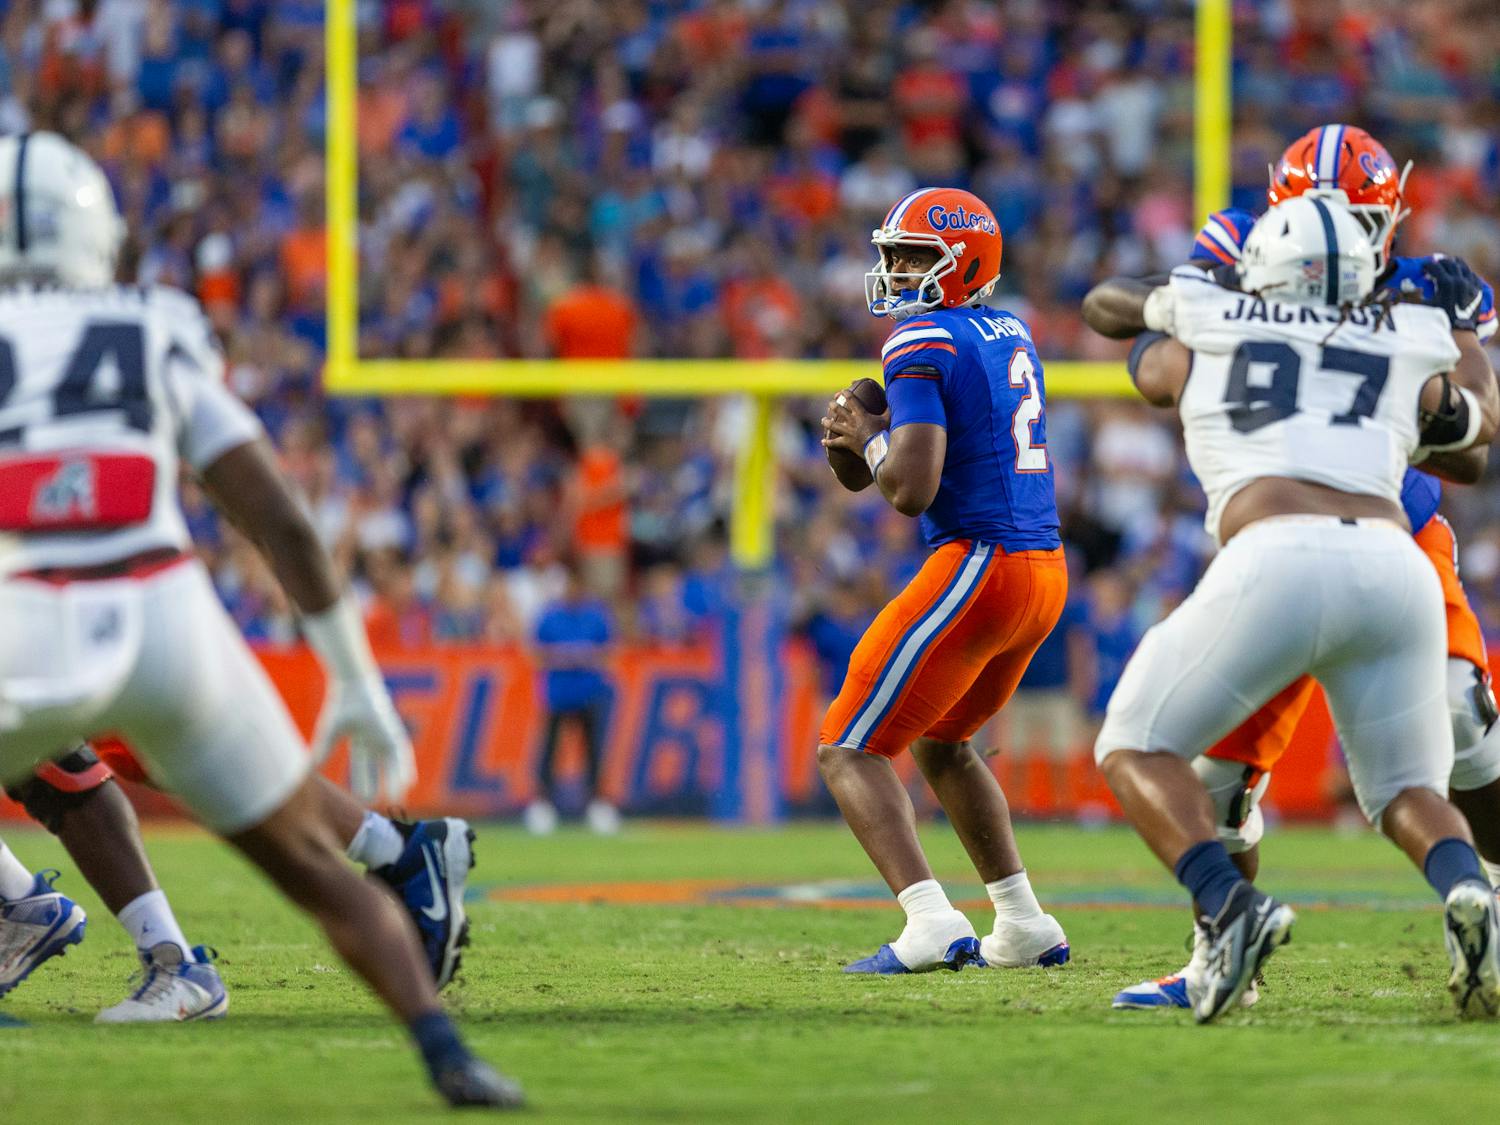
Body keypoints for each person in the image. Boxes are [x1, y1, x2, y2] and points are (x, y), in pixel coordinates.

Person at [0, 132, 518, 1106]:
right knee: (302, 868)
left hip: (26, 617)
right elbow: (277, 514)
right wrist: (357, 680)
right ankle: (447, 1054)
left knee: (71, 765)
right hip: (165, 611)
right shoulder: (154, 320)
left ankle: (49, 918)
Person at [1087, 124, 1500, 1012]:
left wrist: (1181, 316)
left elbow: (1123, 329)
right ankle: (1236, 952)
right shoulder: (1404, 315)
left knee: (1465, 724)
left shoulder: (1232, 306)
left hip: (1291, 545)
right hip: (1382, 557)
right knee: (1252, 783)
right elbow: (1475, 437)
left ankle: (1231, 910)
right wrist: (1462, 339)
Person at [818, 187, 1070, 974]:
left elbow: (910, 488)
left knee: (847, 746)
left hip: (981, 562)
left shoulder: (921, 335)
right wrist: (865, 444)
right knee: (942, 741)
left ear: (963, 261)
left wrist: (869, 441)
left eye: (915, 255)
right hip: (1043, 569)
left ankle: (928, 919)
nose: (895, 270)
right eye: (892, 253)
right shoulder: (1007, 328)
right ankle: (1023, 920)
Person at [0, 741, 478, 1020]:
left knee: (163, 746)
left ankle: (395, 849)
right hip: (91, 588)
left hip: (104, 589)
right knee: (74, 751)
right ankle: (22, 903)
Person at [525, 562, 618, 835]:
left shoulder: (596, 615)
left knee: (593, 753)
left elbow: (609, 653)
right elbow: (535, 653)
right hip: (558, 694)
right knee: (550, 751)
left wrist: (582, 657)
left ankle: (598, 806)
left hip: (589, 693)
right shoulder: (550, 616)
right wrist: (565, 657)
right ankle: (542, 806)